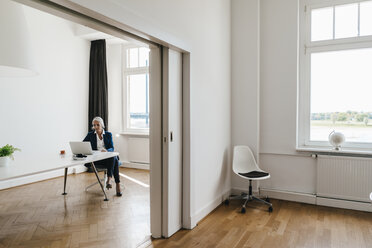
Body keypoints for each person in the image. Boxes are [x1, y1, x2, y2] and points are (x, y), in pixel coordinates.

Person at [83, 116, 122, 197]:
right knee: (114, 159)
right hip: (96, 159)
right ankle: (115, 183)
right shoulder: (90, 135)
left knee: (113, 157)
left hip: (107, 157)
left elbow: (112, 147)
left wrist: (107, 151)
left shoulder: (108, 134)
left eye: (98, 125)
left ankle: (109, 180)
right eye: (94, 125)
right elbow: (83, 145)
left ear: (102, 125)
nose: (96, 127)